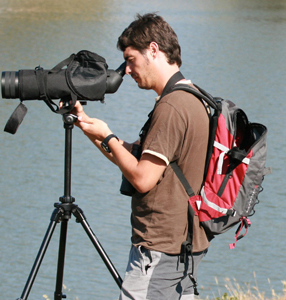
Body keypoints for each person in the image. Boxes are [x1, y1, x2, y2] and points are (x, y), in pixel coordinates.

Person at [70, 13, 210, 300]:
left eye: (130, 59)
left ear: (154, 50)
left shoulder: (172, 107)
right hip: (183, 247)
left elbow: (143, 179)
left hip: (160, 250)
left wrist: (107, 135)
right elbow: (140, 162)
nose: (128, 70)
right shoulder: (194, 97)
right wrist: (91, 130)